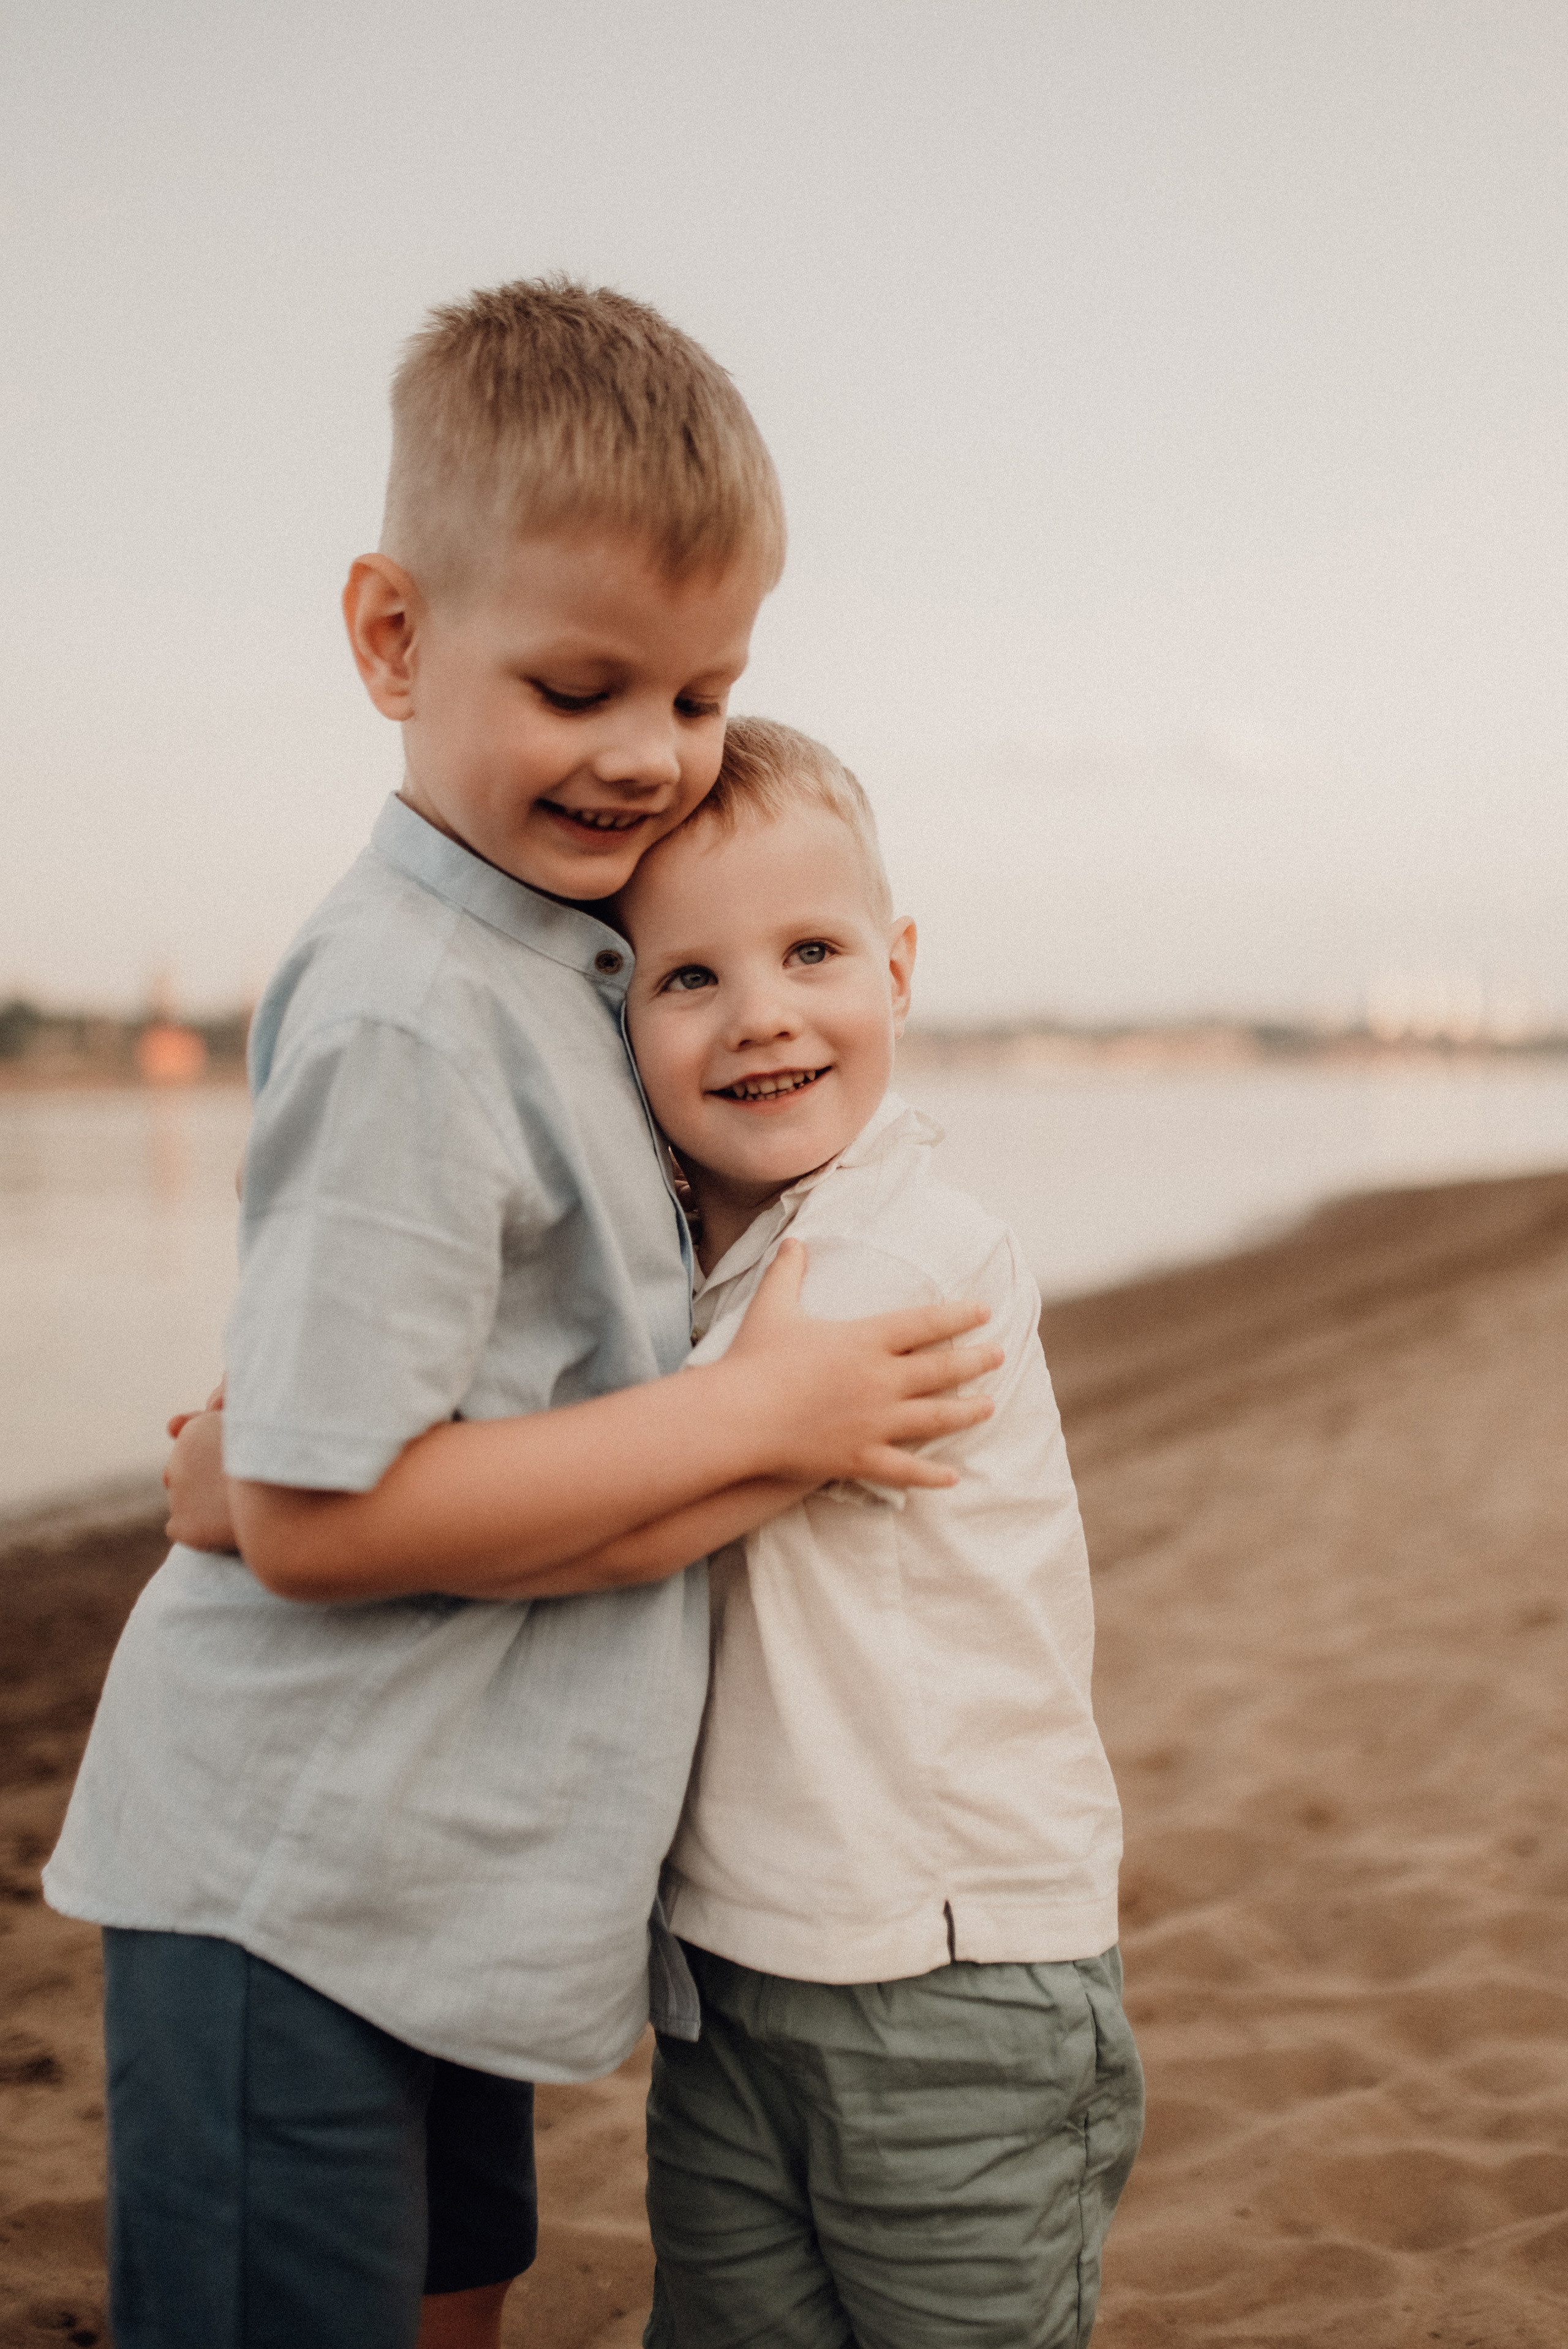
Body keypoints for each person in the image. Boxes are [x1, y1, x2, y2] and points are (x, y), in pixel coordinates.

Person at [43, 285, 1000, 2349]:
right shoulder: (404, 1000)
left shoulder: (577, 964)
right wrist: (772, 1414)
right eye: (583, 686)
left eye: (704, 692)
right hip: (287, 1883)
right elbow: (320, 1517)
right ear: (394, 639)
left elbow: (551, 1450)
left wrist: (751, 1417)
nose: (651, 756)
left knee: (457, 2293)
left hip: (449, 1893)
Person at [613, 716, 1145, 2349]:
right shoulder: (706, 1255)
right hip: (734, 1969)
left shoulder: (902, 1251)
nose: (764, 1009)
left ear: (899, 969)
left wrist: (327, 1490)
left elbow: (648, 1495)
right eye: (688, 977)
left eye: (813, 949)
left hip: (951, 1980)